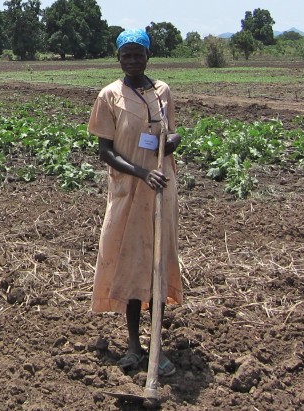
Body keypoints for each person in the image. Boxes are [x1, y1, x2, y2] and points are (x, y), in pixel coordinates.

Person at [87, 28, 183, 377]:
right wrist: (142, 173)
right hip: (129, 191)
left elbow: (171, 130)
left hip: (160, 192)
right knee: (130, 265)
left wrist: (172, 140)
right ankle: (133, 345)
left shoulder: (162, 92)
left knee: (156, 266)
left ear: (148, 57)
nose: (131, 60)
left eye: (137, 54)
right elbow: (105, 151)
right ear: (118, 58)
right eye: (125, 55)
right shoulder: (109, 96)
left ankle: (156, 346)